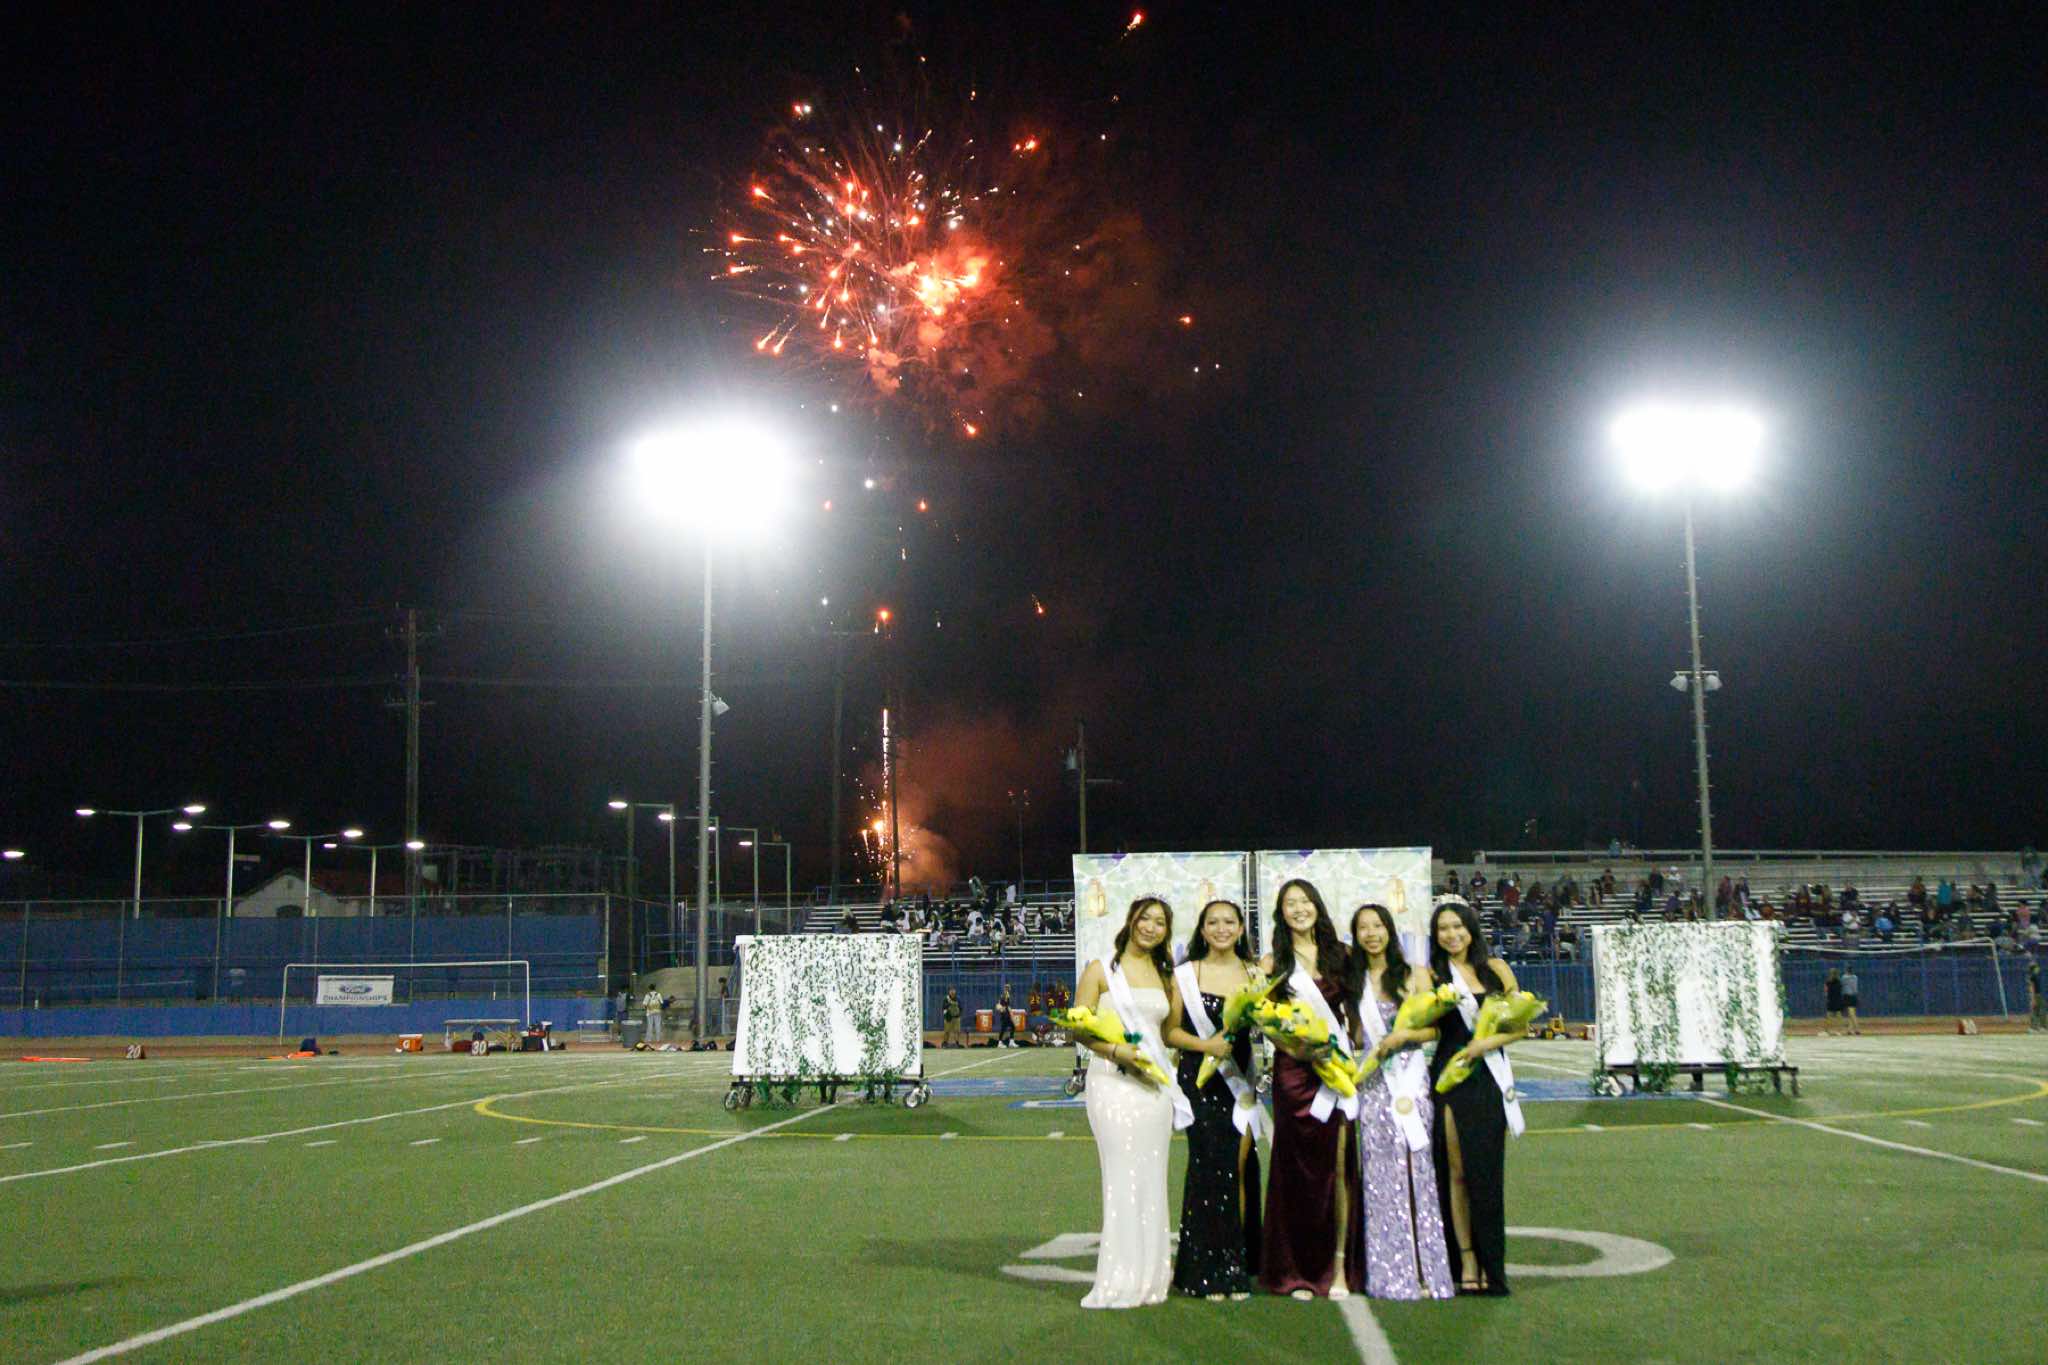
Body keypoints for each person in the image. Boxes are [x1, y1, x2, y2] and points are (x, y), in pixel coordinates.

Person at [1074, 896, 1189, 1308]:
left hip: (1153, 1088)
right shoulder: (1100, 969)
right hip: (1112, 1083)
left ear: (1166, 931)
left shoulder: (1168, 976)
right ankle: (1119, 1277)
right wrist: (1118, 1052)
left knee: (1152, 1177)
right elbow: (1079, 1028)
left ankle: (1151, 1276)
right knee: (1121, 1176)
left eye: (1160, 922)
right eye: (1145, 918)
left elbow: (1170, 1033)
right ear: (1131, 921)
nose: (1151, 927)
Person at [1258, 879, 1364, 1300]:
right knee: (1296, 1170)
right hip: (1295, 1074)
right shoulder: (1273, 963)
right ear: (1281, 913)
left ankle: (1339, 1267)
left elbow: (1356, 1010)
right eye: (1290, 903)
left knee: (1338, 1165)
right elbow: (1265, 1019)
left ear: (1317, 906)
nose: (1299, 909)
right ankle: (1295, 1270)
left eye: (1305, 901)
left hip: (1336, 1069)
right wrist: (1295, 1048)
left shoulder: (1342, 955)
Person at [1347, 903, 1454, 1300]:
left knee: (1418, 1170)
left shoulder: (1416, 974)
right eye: (1363, 927)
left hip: (1411, 1082)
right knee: (1379, 1177)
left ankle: (1428, 1271)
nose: (1371, 933)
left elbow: (1436, 1031)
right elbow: (1357, 1037)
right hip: (1374, 1084)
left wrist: (1404, 1036)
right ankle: (1388, 1272)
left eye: (1378, 926)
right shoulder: (1354, 980)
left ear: (1389, 931)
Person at [1163, 899, 1264, 1300]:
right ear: (1202, 930)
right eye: (1213, 922)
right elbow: (1170, 1032)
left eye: (1229, 922)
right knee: (1207, 1167)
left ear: (1240, 929)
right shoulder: (1185, 974)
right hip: (1200, 1081)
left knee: (1238, 1167)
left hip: (1239, 1081)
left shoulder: (1255, 974)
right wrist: (1206, 1045)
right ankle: (1202, 1269)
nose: (1221, 929)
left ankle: (1234, 1265)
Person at [1428, 898, 1529, 1296]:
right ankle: (1465, 1259)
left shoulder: (1497, 969)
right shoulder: (1433, 974)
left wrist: (1484, 1045)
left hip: (1488, 1077)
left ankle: (1492, 1263)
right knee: (1455, 1170)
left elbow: (1520, 1027)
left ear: (1471, 929)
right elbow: (1428, 1025)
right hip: (1450, 1076)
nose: (1451, 935)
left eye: (1457, 926)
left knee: (1485, 1173)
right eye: (1443, 929)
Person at [1839, 967, 1861, 1035]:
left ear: (1847, 971)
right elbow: (1855, 988)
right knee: (1851, 1014)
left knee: (1851, 1014)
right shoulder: (1855, 977)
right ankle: (1849, 1030)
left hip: (1847, 996)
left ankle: (1857, 1029)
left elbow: (1842, 985)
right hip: (1854, 996)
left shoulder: (1844, 977)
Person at [2028, 956, 2045, 1033]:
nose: (2038, 968)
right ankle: (2034, 1027)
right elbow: (2031, 987)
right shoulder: (2032, 976)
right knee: (2037, 1011)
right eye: (2036, 967)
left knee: (2038, 1010)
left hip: (2037, 995)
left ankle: (2039, 1027)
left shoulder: (2034, 976)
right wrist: (2033, 998)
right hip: (2036, 995)